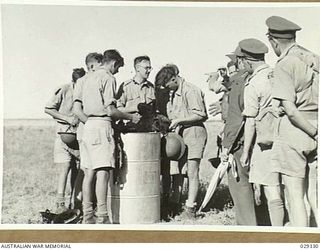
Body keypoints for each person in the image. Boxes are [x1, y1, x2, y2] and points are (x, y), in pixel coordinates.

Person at [73, 49, 141, 224]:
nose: (117, 71)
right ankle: (102, 216)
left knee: (88, 173)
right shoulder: (108, 78)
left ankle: (87, 216)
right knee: (103, 173)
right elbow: (110, 110)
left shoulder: (84, 78)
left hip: (87, 126)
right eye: (118, 67)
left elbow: (78, 108)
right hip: (102, 126)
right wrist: (131, 117)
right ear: (113, 63)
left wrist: (91, 121)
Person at [266, 16, 319, 227]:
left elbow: (290, 109)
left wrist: (313, 132)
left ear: (273, 41)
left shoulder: (284, 64)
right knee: (315, 195)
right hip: (316, 124)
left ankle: (301, 242)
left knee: (295, 196)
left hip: (297, 131)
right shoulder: (314, 59)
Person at [239, 38, 285, 226]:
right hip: (285, 138)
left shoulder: (254, 84)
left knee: (272, 190)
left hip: (265, 143)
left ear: (248, 61)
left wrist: (245, 152)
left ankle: (278, 233)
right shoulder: (279, 74)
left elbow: (250, 121)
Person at [155, 64, 208, 218]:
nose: (166, 88)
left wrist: (179, 120)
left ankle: (190, 208)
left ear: (174, 78)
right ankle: (174, 203)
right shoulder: (174, 92)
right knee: (177, 171)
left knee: (192, 171)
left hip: (194, 133)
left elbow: (201, 114)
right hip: (180, 135)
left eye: (167, 85)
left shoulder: (190, 90)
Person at [218, 46, 258, 226]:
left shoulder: (239, 83)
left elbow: (235, 120)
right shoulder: (257, 79)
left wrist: (226, 147)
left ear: (240, 61)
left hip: (241, 145)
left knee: (240, 189)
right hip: (259, 142)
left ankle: (248, 231)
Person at [44, 67, 86, 213]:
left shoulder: (86, 92)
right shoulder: (64, 89)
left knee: (80, 171)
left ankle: (75, 203)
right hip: (63, 137)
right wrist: (67, 118)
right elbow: (48, 108)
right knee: (65, 168)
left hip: (78, 139)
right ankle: (60, 204)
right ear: (73, 82)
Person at [71, 52, 104, 209]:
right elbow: (77, 110)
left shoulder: (98, 80)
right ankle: (80, 204)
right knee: (86, 170)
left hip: (92, 130)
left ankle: (90, 204)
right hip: (86, 131)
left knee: (95, 169)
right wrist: (92, 124)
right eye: (100, 65)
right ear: (91, 66)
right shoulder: (83, 81)